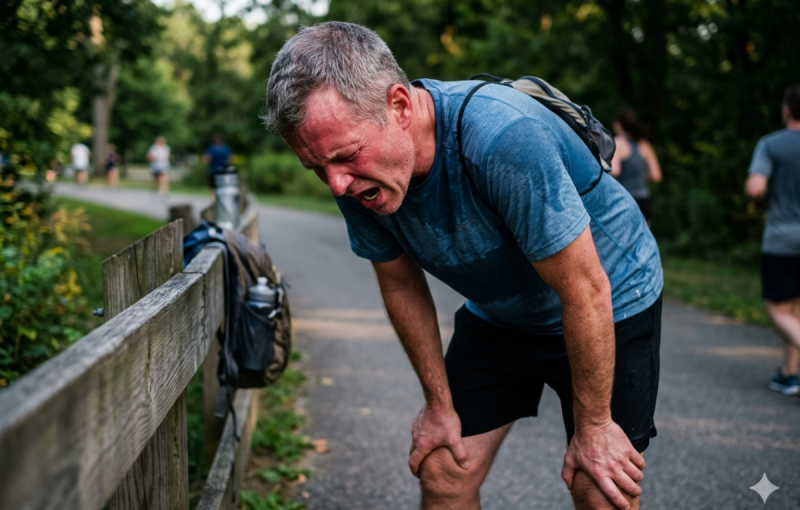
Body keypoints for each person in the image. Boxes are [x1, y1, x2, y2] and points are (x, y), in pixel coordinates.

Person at [266, 22, 663, 510]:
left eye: (344, 157)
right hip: (501, 315)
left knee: (599, 486)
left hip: (608, 302)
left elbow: (585, 290)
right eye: (317, 168)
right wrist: (439, 406)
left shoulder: (502, 138)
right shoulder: (354, 175)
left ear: (400, 106)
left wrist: (596, 427)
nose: (336, 185)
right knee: (443, 466)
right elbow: (401, 285)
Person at [745, 84, 800, 396]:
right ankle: (788, 374)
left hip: (783, 239)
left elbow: (755, 188)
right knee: (794, 309)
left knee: (777, 311)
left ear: (787, 110)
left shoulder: (771, 144)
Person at [610, 107, 661, 223]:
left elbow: (615, 171)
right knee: (644, 239)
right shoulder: (645, 145)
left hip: (623, 200)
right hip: (643, 201)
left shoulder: (617, 143)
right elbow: (656, 176)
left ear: (618, 124)